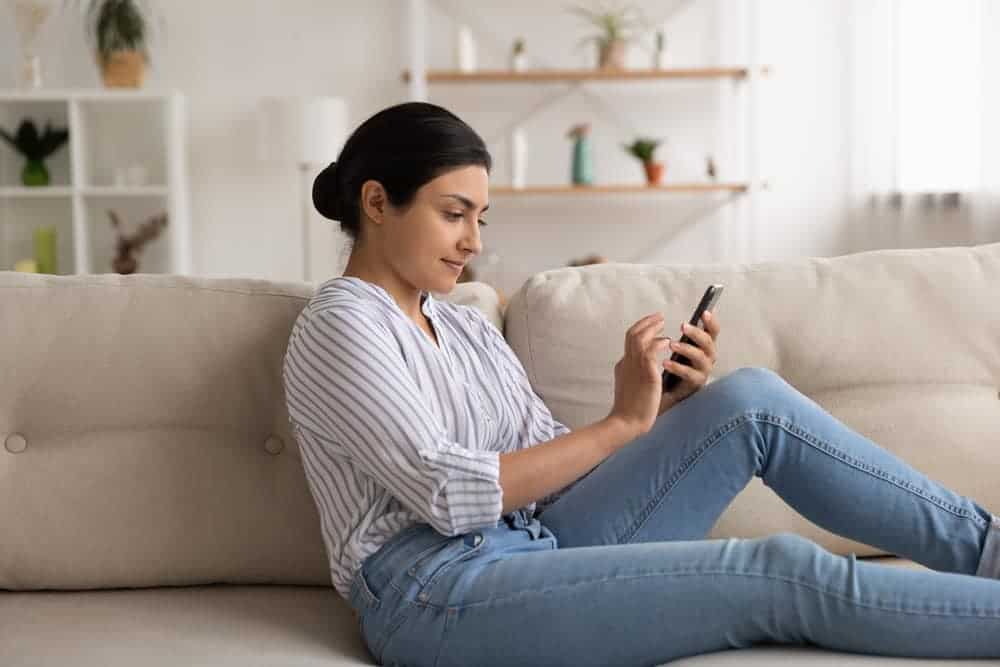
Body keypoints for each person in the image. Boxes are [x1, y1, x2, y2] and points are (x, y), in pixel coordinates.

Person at [281, 101, 1000, 666]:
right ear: (377, 203)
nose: (474, 240)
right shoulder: (342, 324)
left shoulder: (462, 324)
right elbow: (445, 490)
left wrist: (655, 410)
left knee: (747, 402)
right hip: (437, 592)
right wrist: (620, 424)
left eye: (480, 217)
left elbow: (548, 466)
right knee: (779, 571)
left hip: (537, 540)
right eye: (453, 214)